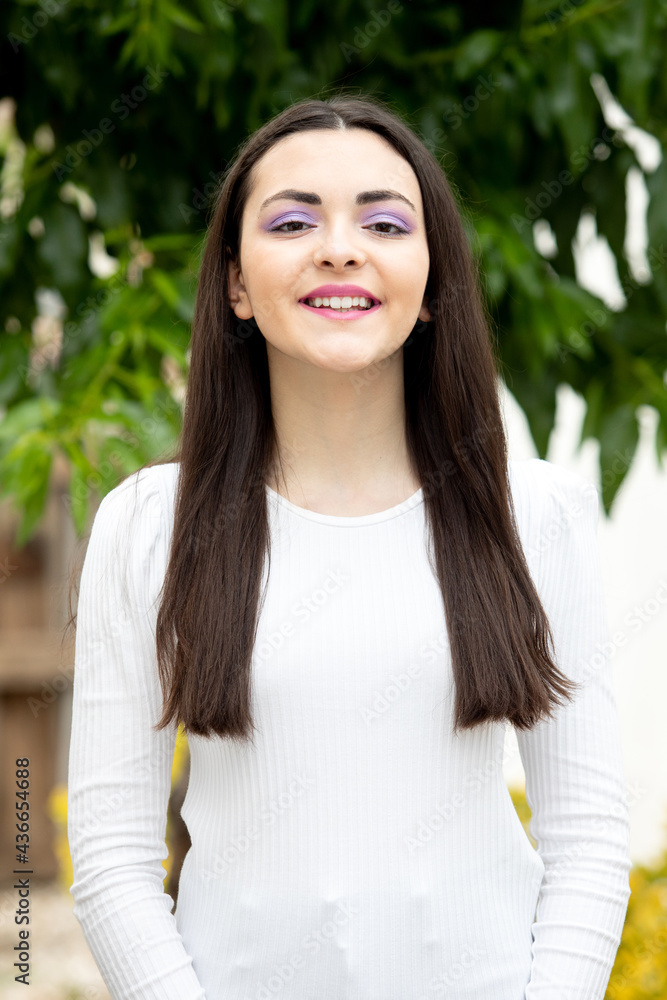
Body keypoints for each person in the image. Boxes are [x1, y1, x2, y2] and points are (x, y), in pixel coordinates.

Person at [66, 93, 632, 1000]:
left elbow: (590, 844)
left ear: (432, 280)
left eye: (383, 221)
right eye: (293, 221)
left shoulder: (536, 515)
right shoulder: (149, 526)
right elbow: (108, 858)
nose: (339, 246)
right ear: (236, 285)